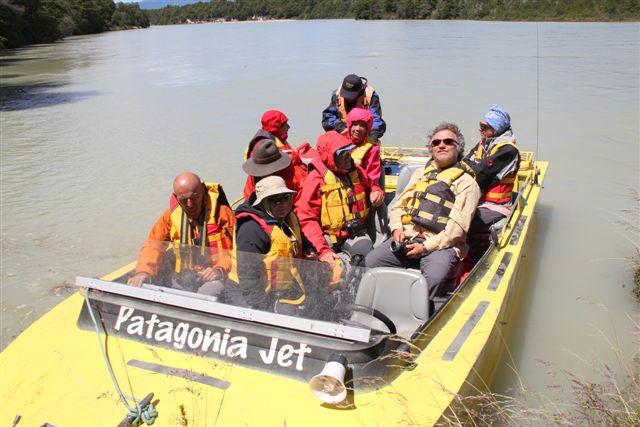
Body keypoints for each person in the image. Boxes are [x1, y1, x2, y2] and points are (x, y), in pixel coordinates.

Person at [365, 122, 480, 297]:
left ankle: (422, 315)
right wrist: (396, 228)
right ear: (431, 148)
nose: (441, 145)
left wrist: (425, 248)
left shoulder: (467, 183)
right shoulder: (420, 174)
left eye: (448, 142)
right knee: (371, 261)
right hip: (408, 237)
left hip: (440, 245)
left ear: (458, 148)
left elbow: (456, 231)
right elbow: (398, 205)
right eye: (436, 142)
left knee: (433, 277)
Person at [127, 172, 235, 294]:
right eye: (184, 200)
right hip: (185, 276)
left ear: (203, 193)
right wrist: (144, 272)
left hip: (216, 275)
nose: (189, 204)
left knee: (206, 295)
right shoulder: (170, 216)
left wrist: (219, 269)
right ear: (176, 197)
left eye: (194, 198)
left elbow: (235, 252)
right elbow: (153, 244)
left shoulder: (223, 214)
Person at [229, 176, 313, 314]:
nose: (283, 205)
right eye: (276, 201)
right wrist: (264, 307)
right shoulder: (251, 229)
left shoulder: (289, 217)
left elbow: (301, 240)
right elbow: (247, 273)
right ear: (263, 203)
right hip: (247, 292)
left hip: (282, 290)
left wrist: (310, 250)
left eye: (286, 198)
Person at [296, 131, 382, 264]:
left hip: (354, 234)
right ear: (329, 157)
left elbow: (371, 185)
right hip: (326, 237)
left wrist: (376, 191)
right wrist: (323, 250)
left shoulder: (357, 171)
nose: (348, 157)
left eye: (349, 152)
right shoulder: (315, 179)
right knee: (326, 269)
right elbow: (306, 218)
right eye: (342, 154)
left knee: (370, 260)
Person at [461, 105, 520, 261]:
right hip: (476, 198)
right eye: (480, 126)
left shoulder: (507, 151)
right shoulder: (484, 142)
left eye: (484, 127)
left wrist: (470, 168)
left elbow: (481, 175)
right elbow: (465, 162)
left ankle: (468, 260)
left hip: (495, 206)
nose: (480, 130)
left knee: (461, 223)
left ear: (496, 128)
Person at [321, 74, 386, 142]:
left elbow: (377, 120)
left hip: (365, 134)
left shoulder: (371, 96)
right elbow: (328, 117)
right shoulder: (337, 95)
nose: (348, 98)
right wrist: (340, 127)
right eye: (346, 94)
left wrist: (372, 137)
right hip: (343, 132)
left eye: (352, 95)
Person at [242, 139, 307, 202]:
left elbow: (303, 202)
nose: (263, 174)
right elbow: (249, 199)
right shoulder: (253, 177)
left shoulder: (295, 174)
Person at [346, 107, 385, 206]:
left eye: (362, 125)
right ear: (349, 125)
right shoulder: (338, 142)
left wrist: (376, 192)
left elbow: (373, 179)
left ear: (368, 128)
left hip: (357, 190)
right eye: (355, 124)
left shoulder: (372, 149)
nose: (358, 129)